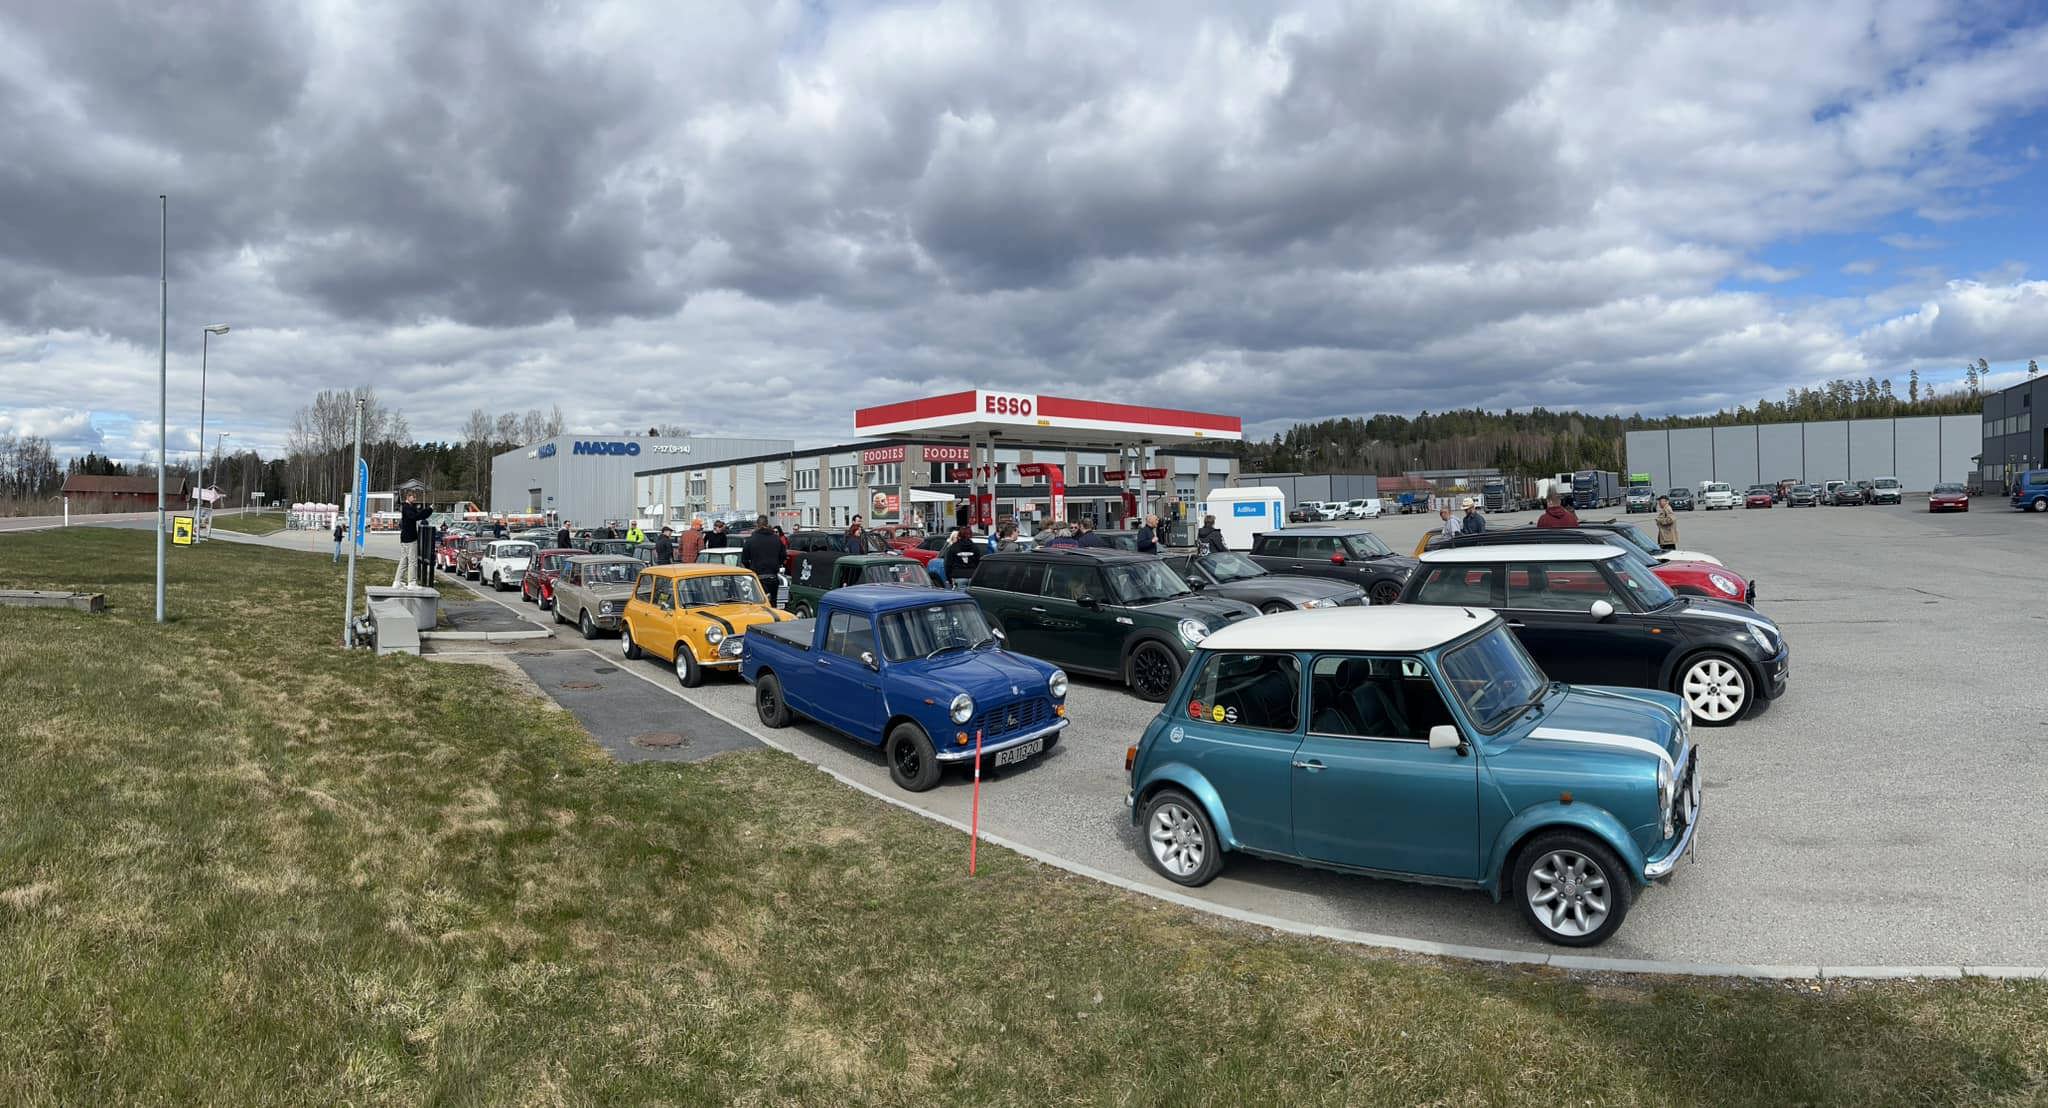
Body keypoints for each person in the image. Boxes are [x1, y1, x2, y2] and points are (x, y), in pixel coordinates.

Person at [741, 515, 786, 604]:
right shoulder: (776, 539)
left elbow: (744, 559)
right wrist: (776, 564)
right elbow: (783, 556)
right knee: (773, 603)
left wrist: (751, 568)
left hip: (757, 577)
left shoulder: (751, 540)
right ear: (767, 524)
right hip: (773, 576)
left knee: (758, 604)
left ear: (757, 525)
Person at [394, 488, 433, 587]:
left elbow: (420, 515)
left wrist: (429, 510)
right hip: (410, 538)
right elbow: (415, 516)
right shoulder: (407, 507)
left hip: (405, 538)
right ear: (408, 497)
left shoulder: (409, 507)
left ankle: (397, 581)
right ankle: (412, 582)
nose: (415, 499)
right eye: (413, 497)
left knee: (404, 560)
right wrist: (428, 510)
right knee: (413, 561)